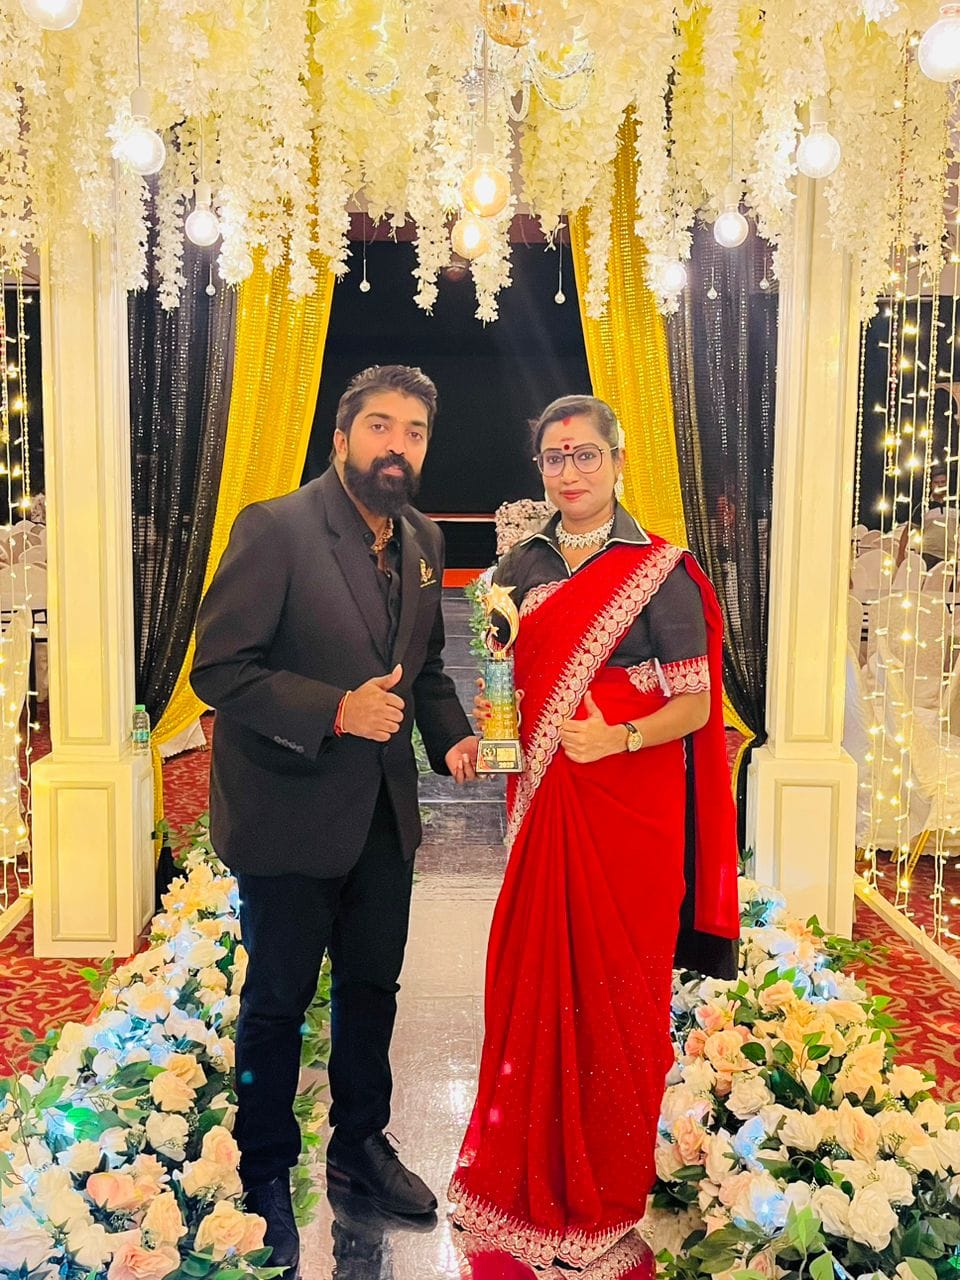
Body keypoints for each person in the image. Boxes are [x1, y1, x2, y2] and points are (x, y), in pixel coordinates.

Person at [191, 365, 478, 1277]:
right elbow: (220, 669)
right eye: (381, 426)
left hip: (382, 817)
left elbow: (424, 669)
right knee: (277, 1003)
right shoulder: (276, 528)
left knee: (372, 989)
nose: (399, 445)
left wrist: (456, 738)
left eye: (415, 432)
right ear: (343, 437)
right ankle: (264, 1169)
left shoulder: (424, 539)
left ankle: (360, 1144)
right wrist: (335, 710)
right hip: (286, 809)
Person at [449, 394, 740, 1272]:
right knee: (531, 976)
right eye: (554, 456)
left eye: (585, 454)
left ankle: (606, 1180)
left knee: (619, 991)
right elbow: (500, 682)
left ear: (616, 461)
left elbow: (695, 705)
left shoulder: (662, 570)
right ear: (539, 467)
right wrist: (491, 740)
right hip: (544, 804)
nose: (569, 470)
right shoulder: (515, 567)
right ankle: (523, 1170)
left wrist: (620, 736)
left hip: (628, 810)